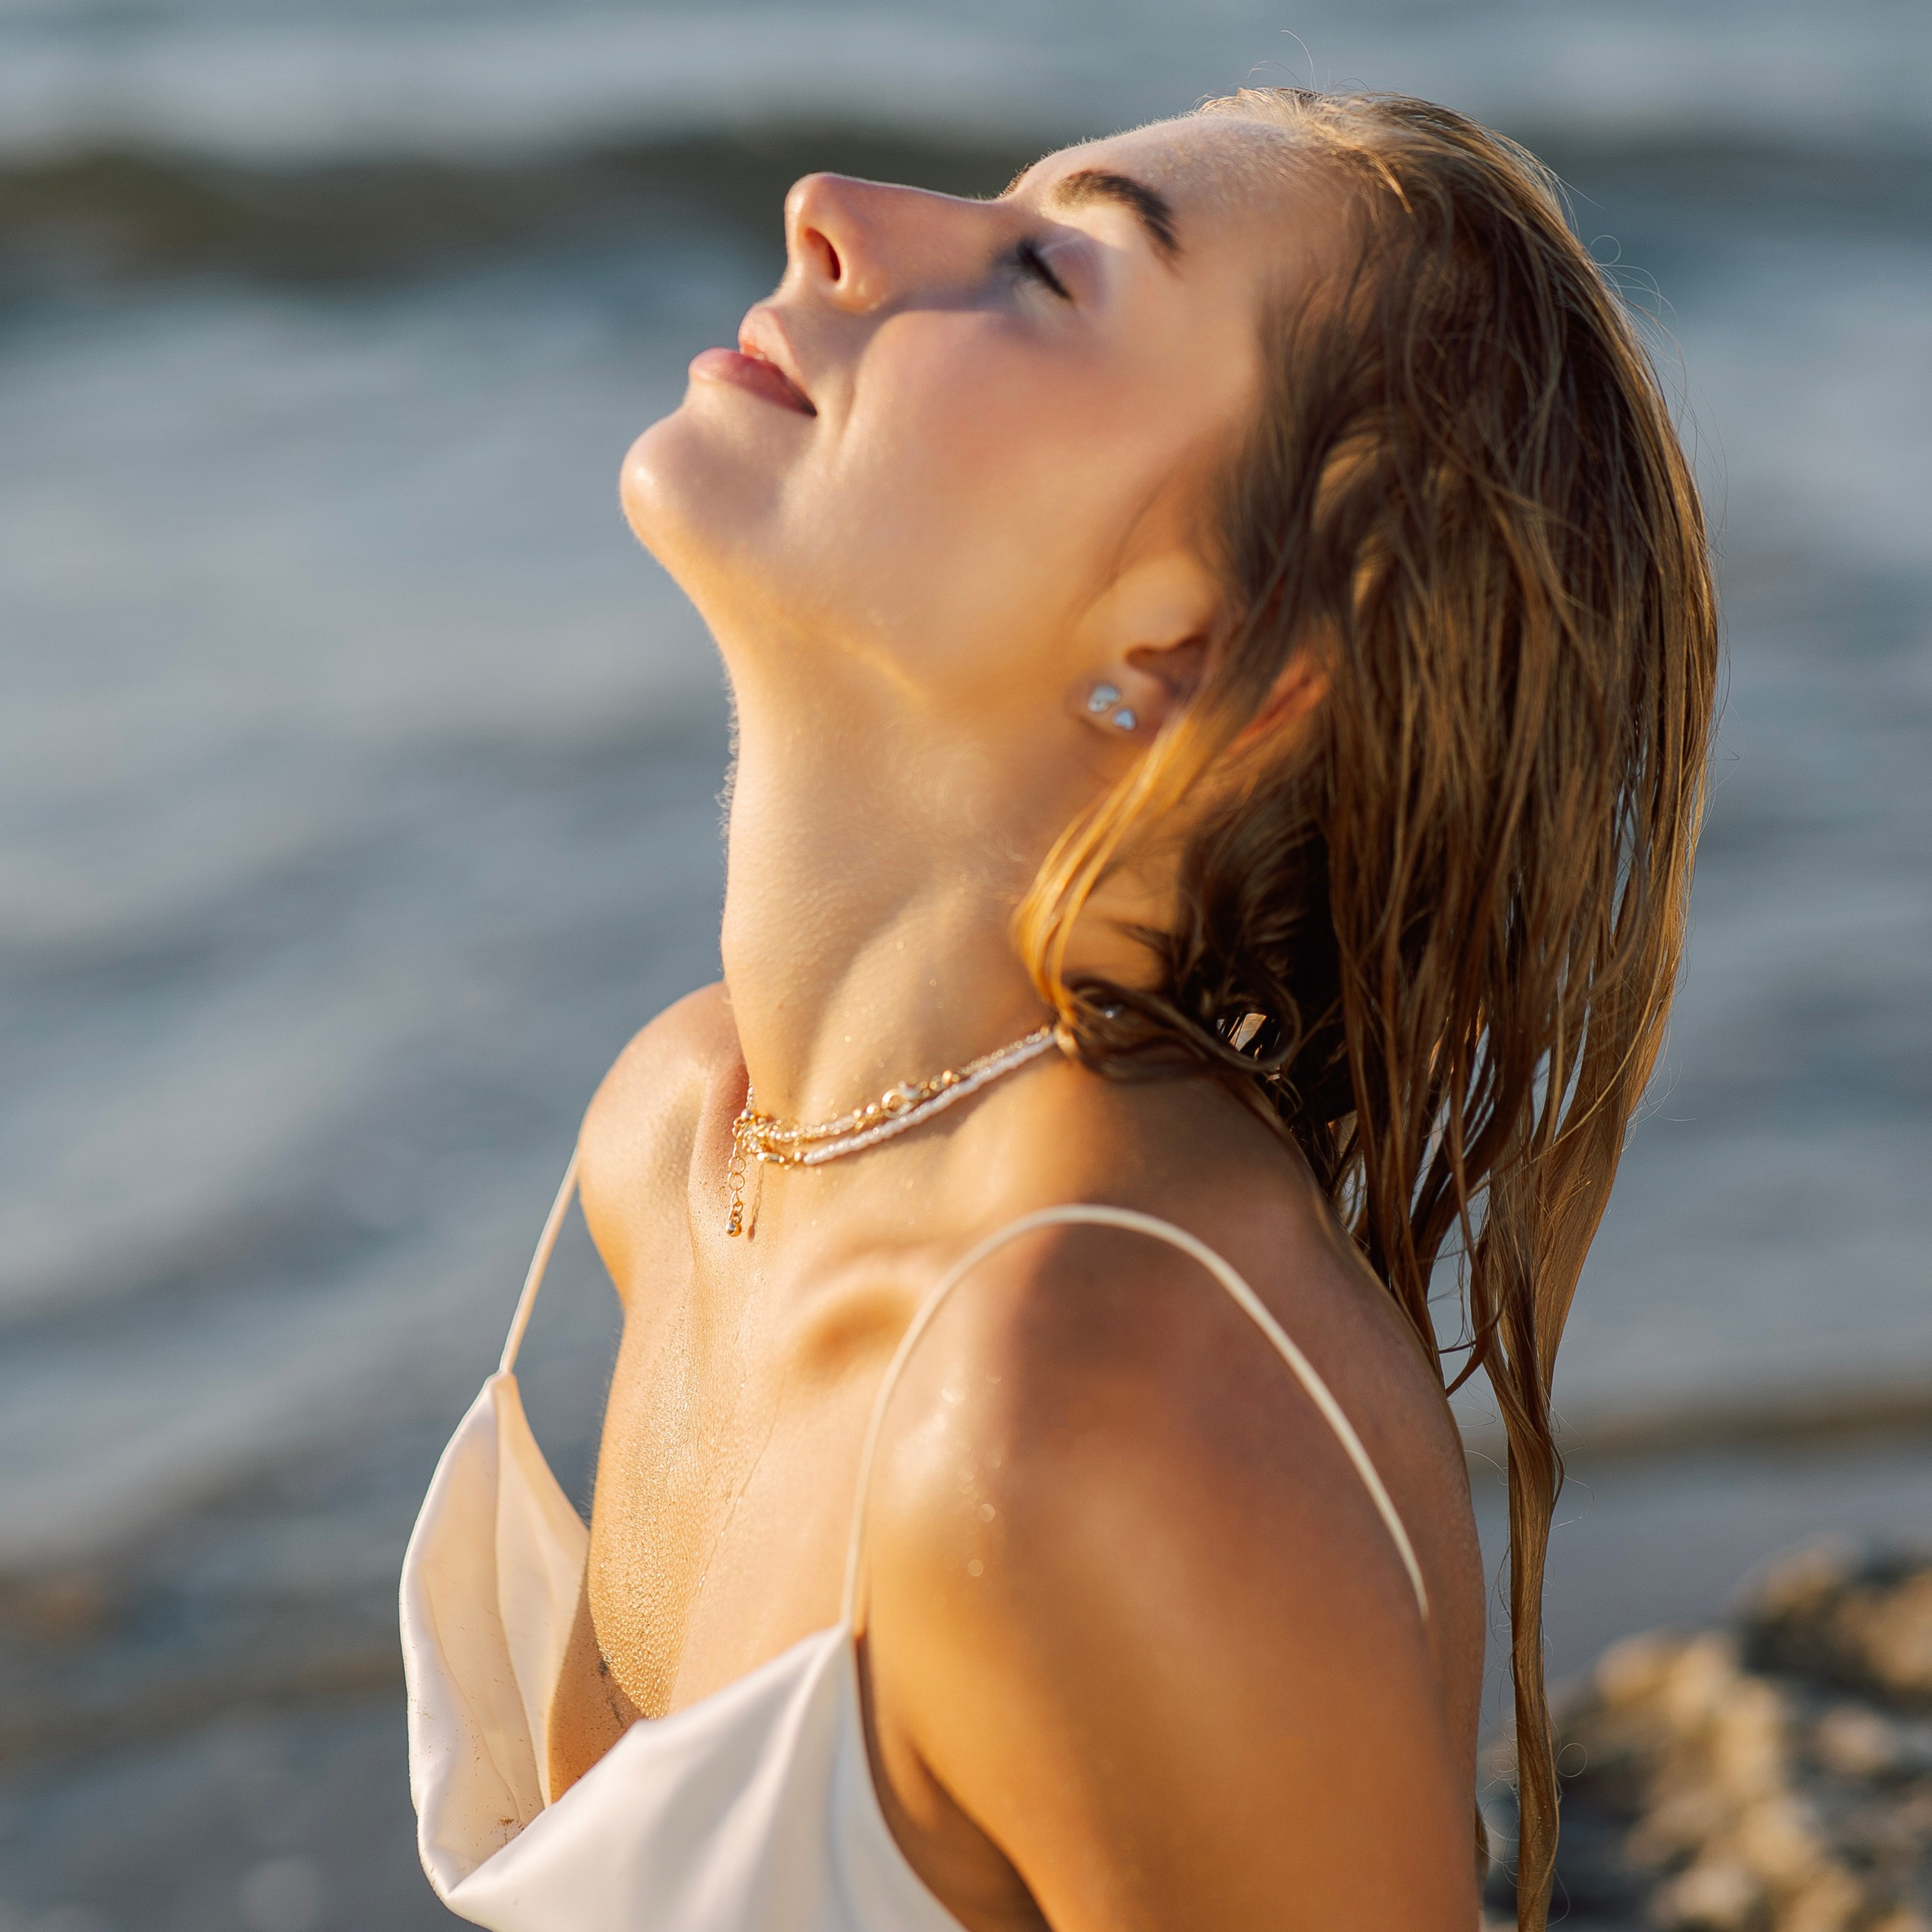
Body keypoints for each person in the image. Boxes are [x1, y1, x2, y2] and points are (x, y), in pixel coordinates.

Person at [401, 87, 1717, 1932]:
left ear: (1189, 647)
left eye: (1042, 271)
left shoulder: (1095, 1396)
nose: (827, 205)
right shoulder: (683, 1132)